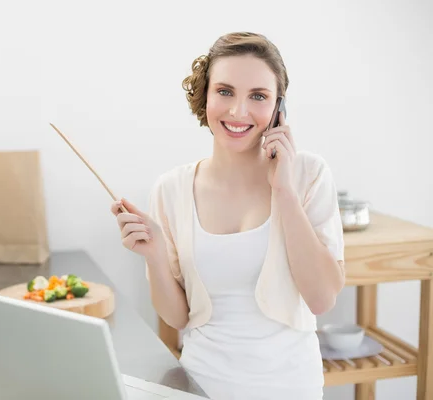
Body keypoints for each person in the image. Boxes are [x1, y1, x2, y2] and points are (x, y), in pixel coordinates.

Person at [110, 32, 346, 400]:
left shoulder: (308, 175)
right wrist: (154, 255)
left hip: (290, 388)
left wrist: (283, 191)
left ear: (279, 108)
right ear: (204, 96)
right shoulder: (171, 189)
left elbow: (321, 299)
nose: (238, 111)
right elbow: (178, 318)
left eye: (258, 96)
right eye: (225, 91)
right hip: (201, 386)